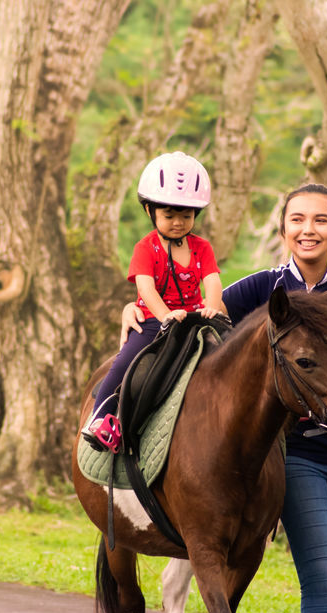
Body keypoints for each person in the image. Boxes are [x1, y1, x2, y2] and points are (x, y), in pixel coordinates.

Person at [122, 184, 327, 613]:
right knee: (324, 576)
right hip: (294, 454)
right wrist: (139, 306)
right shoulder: (262, 289)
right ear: (283, 227)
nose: (308, 229)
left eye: (322, 220)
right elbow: (205, 319)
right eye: (297, 219)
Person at [82, 152, 225, 450]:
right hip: (152, 322)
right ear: (150, 211)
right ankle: (101, 417)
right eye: (169, 215)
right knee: (124, 363)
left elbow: (212, 278)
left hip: (196, 320)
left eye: (186, 216)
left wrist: (211, 306)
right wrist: (164, 316)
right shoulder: (145, 248)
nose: (178, 223)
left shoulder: (202, 247)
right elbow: (145, 287)